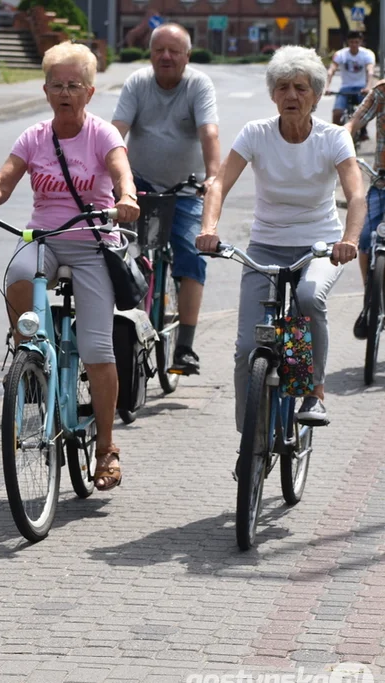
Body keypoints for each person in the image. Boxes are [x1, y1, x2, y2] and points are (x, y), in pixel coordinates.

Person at [0, 41, 139, 490]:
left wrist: (127, 198)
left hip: (93, 242)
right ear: (45, 90)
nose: (65, 92)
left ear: (90, 92)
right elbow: (4, 179)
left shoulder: (101, 134)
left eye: (74, 85)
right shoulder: (34, 137)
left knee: (98, 349)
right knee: (18, 276)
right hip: (45, 238)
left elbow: (121, 172)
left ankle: (106, 450)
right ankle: (33, 356)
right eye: (57, 85)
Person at [196, 46, 363, 430]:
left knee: (308, 297)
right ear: (273, 94)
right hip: (265, 247)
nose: (291, 96)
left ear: (316, 96)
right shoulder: (256, 133)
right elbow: (220, 183)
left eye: (301, 88)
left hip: (320, 246)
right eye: (283, 87)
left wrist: (349, 239)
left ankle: (314, 392)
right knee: (245, 350)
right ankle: (249, 441)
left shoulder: (333, 137)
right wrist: (209, 229)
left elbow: (355, 194)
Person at [112, 22, 220, 376]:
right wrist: (112, 176)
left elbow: (209, 132)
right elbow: (116, 133)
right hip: (140, 185)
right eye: (159, 50)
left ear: (187, 56)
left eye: (175, 51)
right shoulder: (138, 84)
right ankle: (128, 328)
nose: (166, 56)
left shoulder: (197, 85)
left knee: (192, 254)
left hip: (186, 188)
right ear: (150, 53)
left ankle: (185, 346)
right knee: (126, 254)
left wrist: (213, 176)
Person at [344, 80, 385, 338]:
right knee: (366, 238)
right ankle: (370, 301)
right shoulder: (382, 91)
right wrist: (341, 136)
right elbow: (356, 120)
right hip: (382, 181)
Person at [326, 31, 375, 129]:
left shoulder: (367, 54)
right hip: (345, 88)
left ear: (360, 42)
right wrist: (327, 87)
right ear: (348, 42)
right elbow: (331, 70)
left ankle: (363, 131)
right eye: (351, 42)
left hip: (361, 89)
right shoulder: (341, 54)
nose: (354, 45)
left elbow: (370, 71)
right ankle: (337, 133)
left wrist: (368, 87)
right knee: (337, 113)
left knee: (366, 112)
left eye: (356, 42)